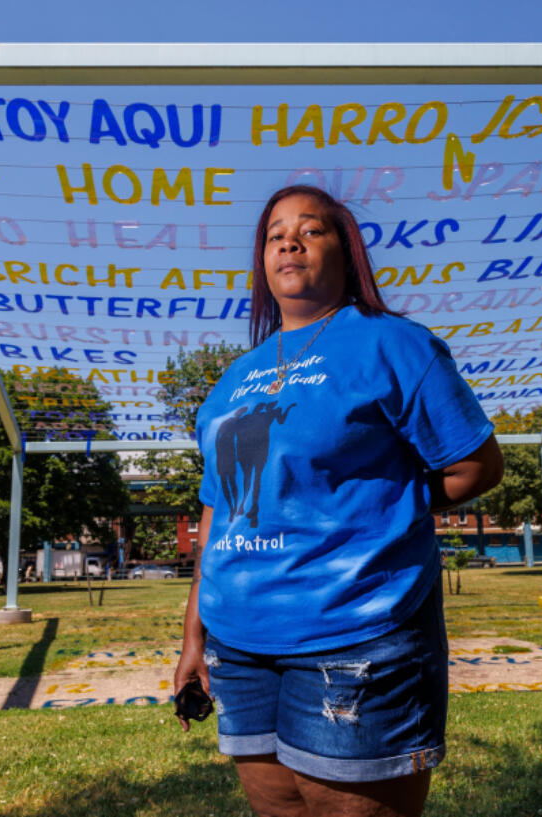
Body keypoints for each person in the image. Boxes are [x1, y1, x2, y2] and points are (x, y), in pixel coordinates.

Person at [174, 185, 503, 817]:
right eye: (274, 235)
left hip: (355, 635)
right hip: (240, 649)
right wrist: (194, 637)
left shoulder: (394, 344)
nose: (289, 242)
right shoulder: (231, 378)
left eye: (311, 230)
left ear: (347, 252)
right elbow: (218, 513)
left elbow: (475, 465)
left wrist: (375, 512)